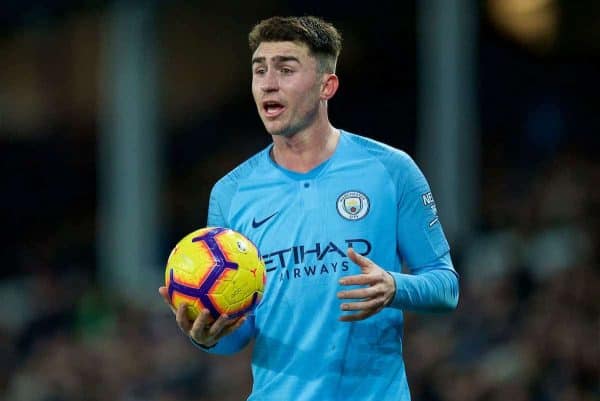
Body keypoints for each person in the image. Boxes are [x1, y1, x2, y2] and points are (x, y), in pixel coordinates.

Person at [159, 15, 459, 401]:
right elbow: (243, 333)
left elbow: (445, 286)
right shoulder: (230, 193)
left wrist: (394, 287)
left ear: (326, 85)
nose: (268, 82)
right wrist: (207, 337)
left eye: (286, 69)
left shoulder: (389, 170)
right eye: (259, 70)